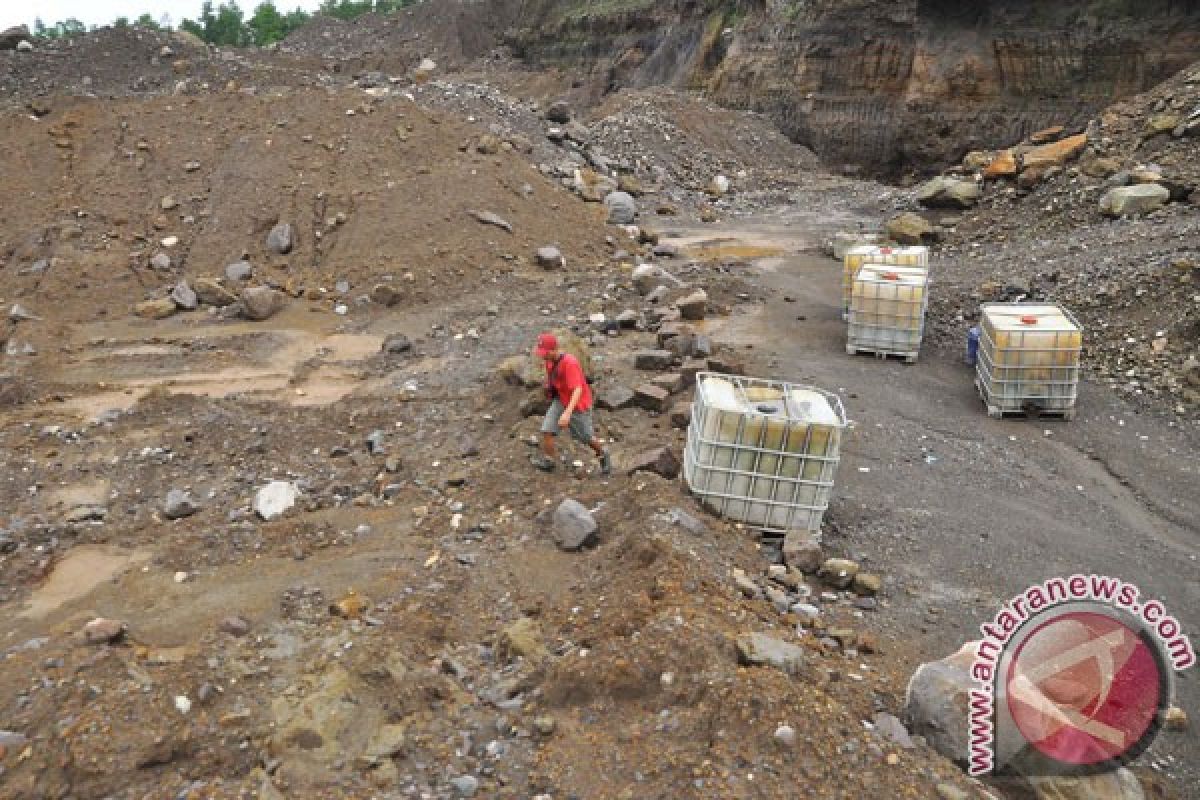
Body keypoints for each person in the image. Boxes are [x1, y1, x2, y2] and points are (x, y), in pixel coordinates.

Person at [530, 332, 612, 475]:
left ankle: (603, 453)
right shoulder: (550, 361)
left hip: (578, 404)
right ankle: (549, 461)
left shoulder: (570, 363)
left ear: (554, 349)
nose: (542, 355)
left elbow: (577, 389)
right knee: (547, 430)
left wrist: (567, 413)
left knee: (585, 437)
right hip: (561, 399)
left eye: (545, 352)